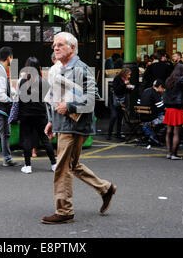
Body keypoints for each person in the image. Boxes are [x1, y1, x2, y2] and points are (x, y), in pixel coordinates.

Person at [42, 32, 116, 225]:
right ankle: (105, 188)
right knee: (72, 165)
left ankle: (64, 210)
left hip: (73, 125)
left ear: (72, 48)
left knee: (61, 167)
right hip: (65, 123)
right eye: (54, 45)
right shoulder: (62, 69)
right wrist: (53, 121)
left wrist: (69, 107)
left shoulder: (80, 68)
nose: (55, 48)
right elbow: (57, 98)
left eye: (60, 45)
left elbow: (93, 98)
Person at [18, 57, 56, 174]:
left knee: (27, 139)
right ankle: (54, 164)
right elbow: (48, 98)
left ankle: (28, 165)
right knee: (44, 139)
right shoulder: (43, 81)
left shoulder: (23, 81)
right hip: (40, 113)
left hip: (25, 114)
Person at [163, 64, 183, 160]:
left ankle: (168, 153)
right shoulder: (181, 80)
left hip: (169, 108)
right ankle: (174, 154)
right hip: (177, 108)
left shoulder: (169, 79)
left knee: (168, 131)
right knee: (176, 132)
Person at [137, 79, 165, 145]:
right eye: (163, 88)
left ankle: (149, 135)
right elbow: (161, 107)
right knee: (168, 118)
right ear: (160, 86)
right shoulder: (155, 93)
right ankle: (153, 136)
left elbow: (138, 103)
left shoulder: (145, 91)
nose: (163, 90)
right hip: (151, 118)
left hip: (142, 117)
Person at [107, 68, 132, 140]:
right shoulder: (117, 78)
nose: (130, 76)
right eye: (129, 74)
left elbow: (125, 91)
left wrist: (129, 89)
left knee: (120, 117)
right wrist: (124, 84)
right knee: (114, 116)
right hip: (114, 100)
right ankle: (109, 134)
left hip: (121, 101)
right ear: (125, 73)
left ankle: (118, 133)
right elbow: (116, 89)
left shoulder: (126, 80)